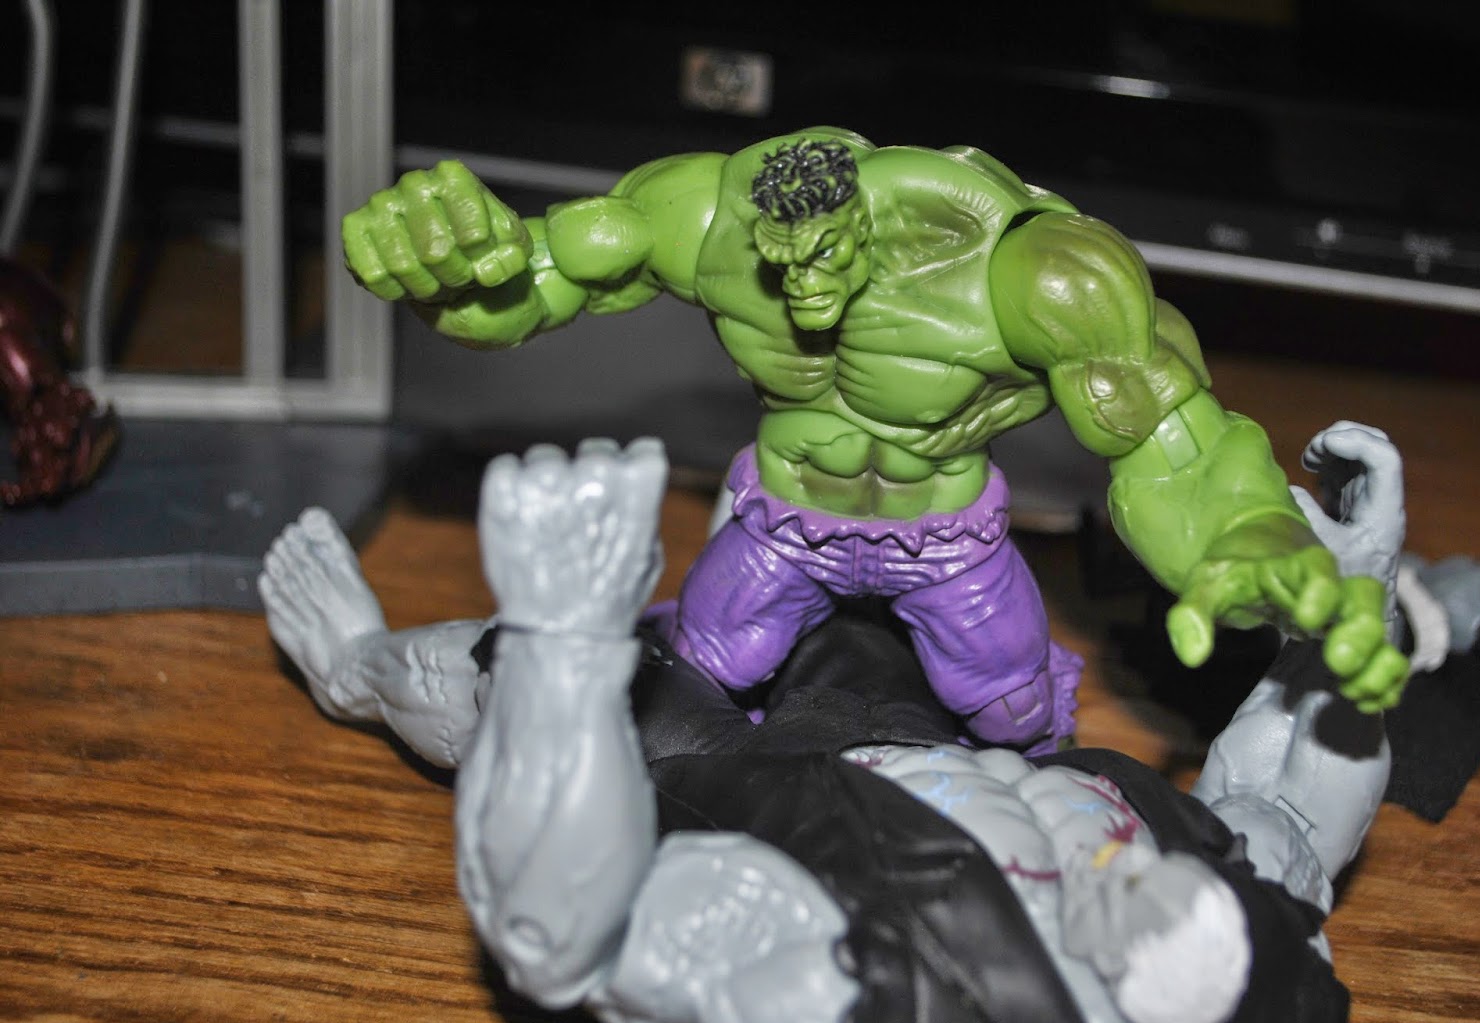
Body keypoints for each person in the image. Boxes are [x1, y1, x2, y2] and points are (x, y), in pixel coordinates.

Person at [260, 422, 1407, 1023]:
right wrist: (1353, 600)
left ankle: (351, 667)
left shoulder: (857, 1007)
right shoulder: (1255, 963)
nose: (1140, 885)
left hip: (748, 781)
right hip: (940, 734)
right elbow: (1291, 804)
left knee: (497, 671)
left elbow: (568, 937)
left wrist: (566, 648)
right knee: (840, 524)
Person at [337, 129, 1406, 752]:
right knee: (697, 680)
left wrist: (1251, 537)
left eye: (826, 257)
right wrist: (454, 270)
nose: (801, 285)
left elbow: (1176, 447)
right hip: (782, 523)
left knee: (1016, 715)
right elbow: (527, 288)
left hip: (945, 542)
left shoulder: (1031, 274)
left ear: (869, 226)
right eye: (781, 259)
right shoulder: (700, 220)